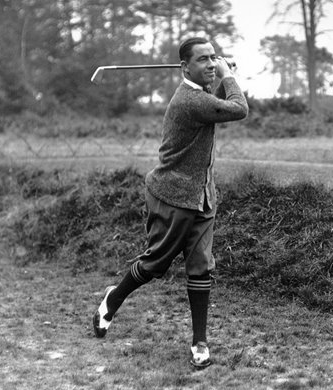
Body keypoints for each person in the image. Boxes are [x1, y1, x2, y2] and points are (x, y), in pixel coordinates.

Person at [92, 36, 248, 369]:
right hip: (172, 196)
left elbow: (215, 111)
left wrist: (220, 79)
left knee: (200, 267)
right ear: (184, 67)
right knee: (154, 266)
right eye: (203, 60)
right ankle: (113, 298)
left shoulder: (200, 98)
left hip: (202, 196)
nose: (210, 64)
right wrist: (229, 77)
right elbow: (238, 109)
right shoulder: (189, 100)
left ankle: (199, 342)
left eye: (213, 57)